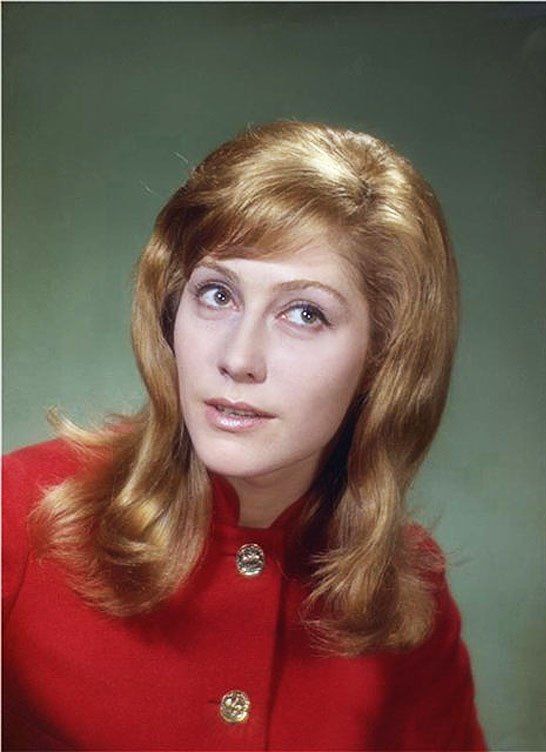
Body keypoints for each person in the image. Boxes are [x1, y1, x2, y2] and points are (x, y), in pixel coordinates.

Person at [2, 120, 488, 751]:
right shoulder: (19, 509)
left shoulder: (408, 590)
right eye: (217, 294)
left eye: (305, 313)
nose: (238, 358)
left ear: (382, 356)